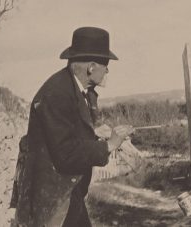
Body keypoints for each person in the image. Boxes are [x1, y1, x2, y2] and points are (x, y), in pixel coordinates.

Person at [14, 27, 134, 227]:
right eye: (106, 65)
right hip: (53, 197)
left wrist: (94, 133)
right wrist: (109, 146)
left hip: (67, 192)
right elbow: (66, 153)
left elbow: (64, 132)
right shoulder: (57, 93)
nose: (107, 71)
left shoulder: (73, 88)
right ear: (92, 67)